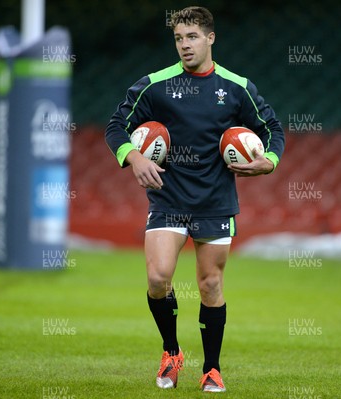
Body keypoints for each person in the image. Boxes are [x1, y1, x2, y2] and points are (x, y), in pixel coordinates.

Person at [105, 6, 285, 392]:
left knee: (210, 285)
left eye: (191, 37)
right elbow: (116, 125)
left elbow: (272, 128)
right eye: (178, 38)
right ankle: (171, 352)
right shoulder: (156, 85)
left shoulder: (236, 87)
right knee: (157, 278)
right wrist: (132, 156)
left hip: (215, 201)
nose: (184, 45)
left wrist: (268, 162)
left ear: (210, 38)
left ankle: (212, 369)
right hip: (168, 197)